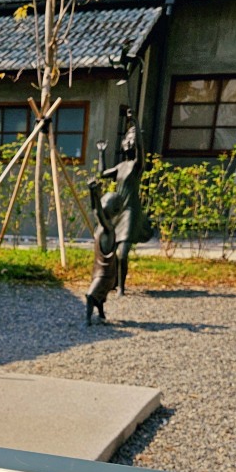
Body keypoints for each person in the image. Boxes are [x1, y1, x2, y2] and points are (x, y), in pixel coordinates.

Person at [101, 108, 145, 295]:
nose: (128, 143)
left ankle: (121, 287)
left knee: (122, 252)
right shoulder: (120, 167)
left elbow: (142, 150)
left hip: (130, 211)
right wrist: (101, 153)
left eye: (131, 141)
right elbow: (102, 174)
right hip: (117, 211)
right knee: (110, 248)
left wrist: (134, 122)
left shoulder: (136, 165)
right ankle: (113, 282)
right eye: (126, 140)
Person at [85, 178, 119, 326]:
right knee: (99, 297)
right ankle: (101, 314)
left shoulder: (108, 228)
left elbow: (98, 211)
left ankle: (87, 321)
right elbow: (95, 210)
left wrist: (96, 194)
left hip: (104, 274)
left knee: (90, 295)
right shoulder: (102, 226)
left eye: (106, 202)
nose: (102, 204)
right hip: (100, 270)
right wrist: (92, 192)